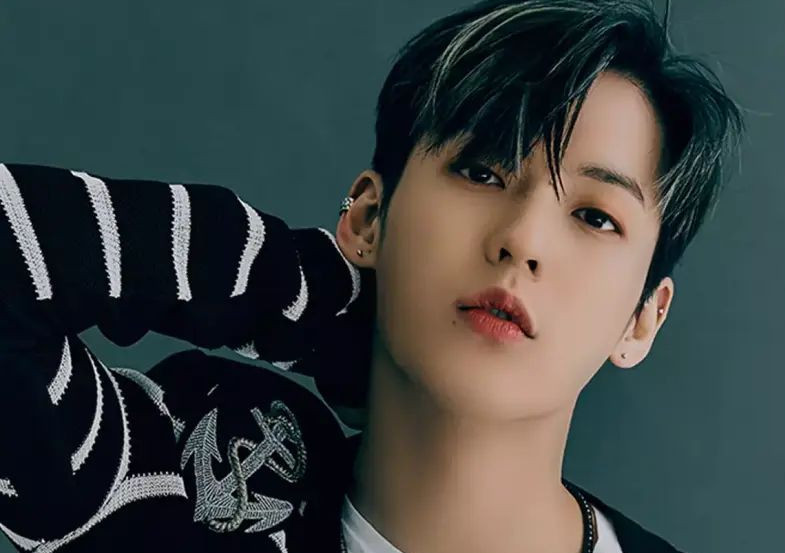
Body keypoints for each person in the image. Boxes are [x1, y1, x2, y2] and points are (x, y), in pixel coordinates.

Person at [0, 0, 744, 552]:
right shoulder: (186, 486)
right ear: (367, 217)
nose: (523, 240)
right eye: (481, 171)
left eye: (595, 216)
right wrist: (304, 296)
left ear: (643, 317)